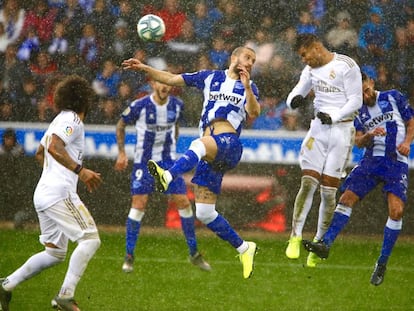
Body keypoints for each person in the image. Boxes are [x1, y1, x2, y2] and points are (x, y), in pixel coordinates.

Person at [121, 46, 260, 279]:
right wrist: (144, 68)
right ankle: (244, 248)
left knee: (199, 144)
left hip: (228, 144)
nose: (250, 63)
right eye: (247, 57)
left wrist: (247, 88)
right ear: (233, 57)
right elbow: (171, 79)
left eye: (253, 61)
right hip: (212, 155)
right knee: (205, 213)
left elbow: (254, 112)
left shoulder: (250, 87)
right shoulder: (210, 77)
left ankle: (168, 175)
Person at [0, 74, 103, 311]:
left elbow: (40, 152)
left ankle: (6, 285)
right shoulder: (73, 121)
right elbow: (54, 147)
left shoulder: (59, 119)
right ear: (84, 100)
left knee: (55, 253)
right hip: (58, 193)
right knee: (90, 240)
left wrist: (55, 174)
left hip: (44, 193)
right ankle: (65, 296)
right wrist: (80, 171)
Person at [303, 73, 414, 285]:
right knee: (346, 198)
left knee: (397, 211)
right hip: (371, 161)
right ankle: (325, 244)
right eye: (361, 93)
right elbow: (358, 141)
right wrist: (369, 136)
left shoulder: (393, 97)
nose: (366, 95)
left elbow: (411, 121)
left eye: (367, 89)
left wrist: (408, 142)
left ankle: (381, 263)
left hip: (395, 161)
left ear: (372, 83)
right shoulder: (357, 111)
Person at [114, 79, 211, 273]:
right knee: (139, 205)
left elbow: (175, 126)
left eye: (167, 83)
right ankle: (129, 255)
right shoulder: (140, 106)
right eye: (160, 83)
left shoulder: (177, 105)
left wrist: (173, 143)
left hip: (168, 163)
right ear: (153, 85)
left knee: (183, 203)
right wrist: (122, 153)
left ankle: (194, 253)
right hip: (145, 162)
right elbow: (120, 125)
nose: (164, 86)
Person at [285, 33, 362, 267]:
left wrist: (334, 115)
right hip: (317, 130)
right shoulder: (310, 70)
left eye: (304, 55)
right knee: (308, 182)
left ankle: (318, 242)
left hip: (341, 131)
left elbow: (355, 100)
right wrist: (294, 100)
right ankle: (295, 236)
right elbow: (296, 92)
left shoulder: (346, 65)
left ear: (315, 47)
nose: (304, 60)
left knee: (329, 193)